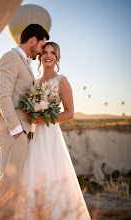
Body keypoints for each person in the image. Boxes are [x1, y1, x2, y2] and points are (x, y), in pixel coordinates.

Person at [14, 42, 91, 219]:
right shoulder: (34, 81)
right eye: (45, 52)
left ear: (57, 57)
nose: (48, 55)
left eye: (52, 53)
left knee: (52, 173)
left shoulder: (61, 80)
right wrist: (31, 115)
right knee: (32, 172)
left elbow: (70, 112)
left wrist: (47, 118)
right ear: (40, 57)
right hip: (33, 134)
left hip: (50, 134)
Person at [0, 24, 49, 220]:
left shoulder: (24, 63)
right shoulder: (10, 57)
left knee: (14, 183)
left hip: (20, 130)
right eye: (42, 46)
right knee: (8, 183)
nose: (41, 51)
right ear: (33, 40)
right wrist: (17, 131)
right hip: (12, 131)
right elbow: (3, 96)